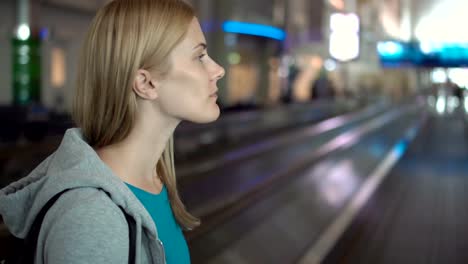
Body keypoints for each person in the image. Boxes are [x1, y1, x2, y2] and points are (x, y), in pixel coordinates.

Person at [0, 0, 225, 263]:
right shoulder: (91, 219)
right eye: (199, 56)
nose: (218, 70)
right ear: (146, 83)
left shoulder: (155, 184)